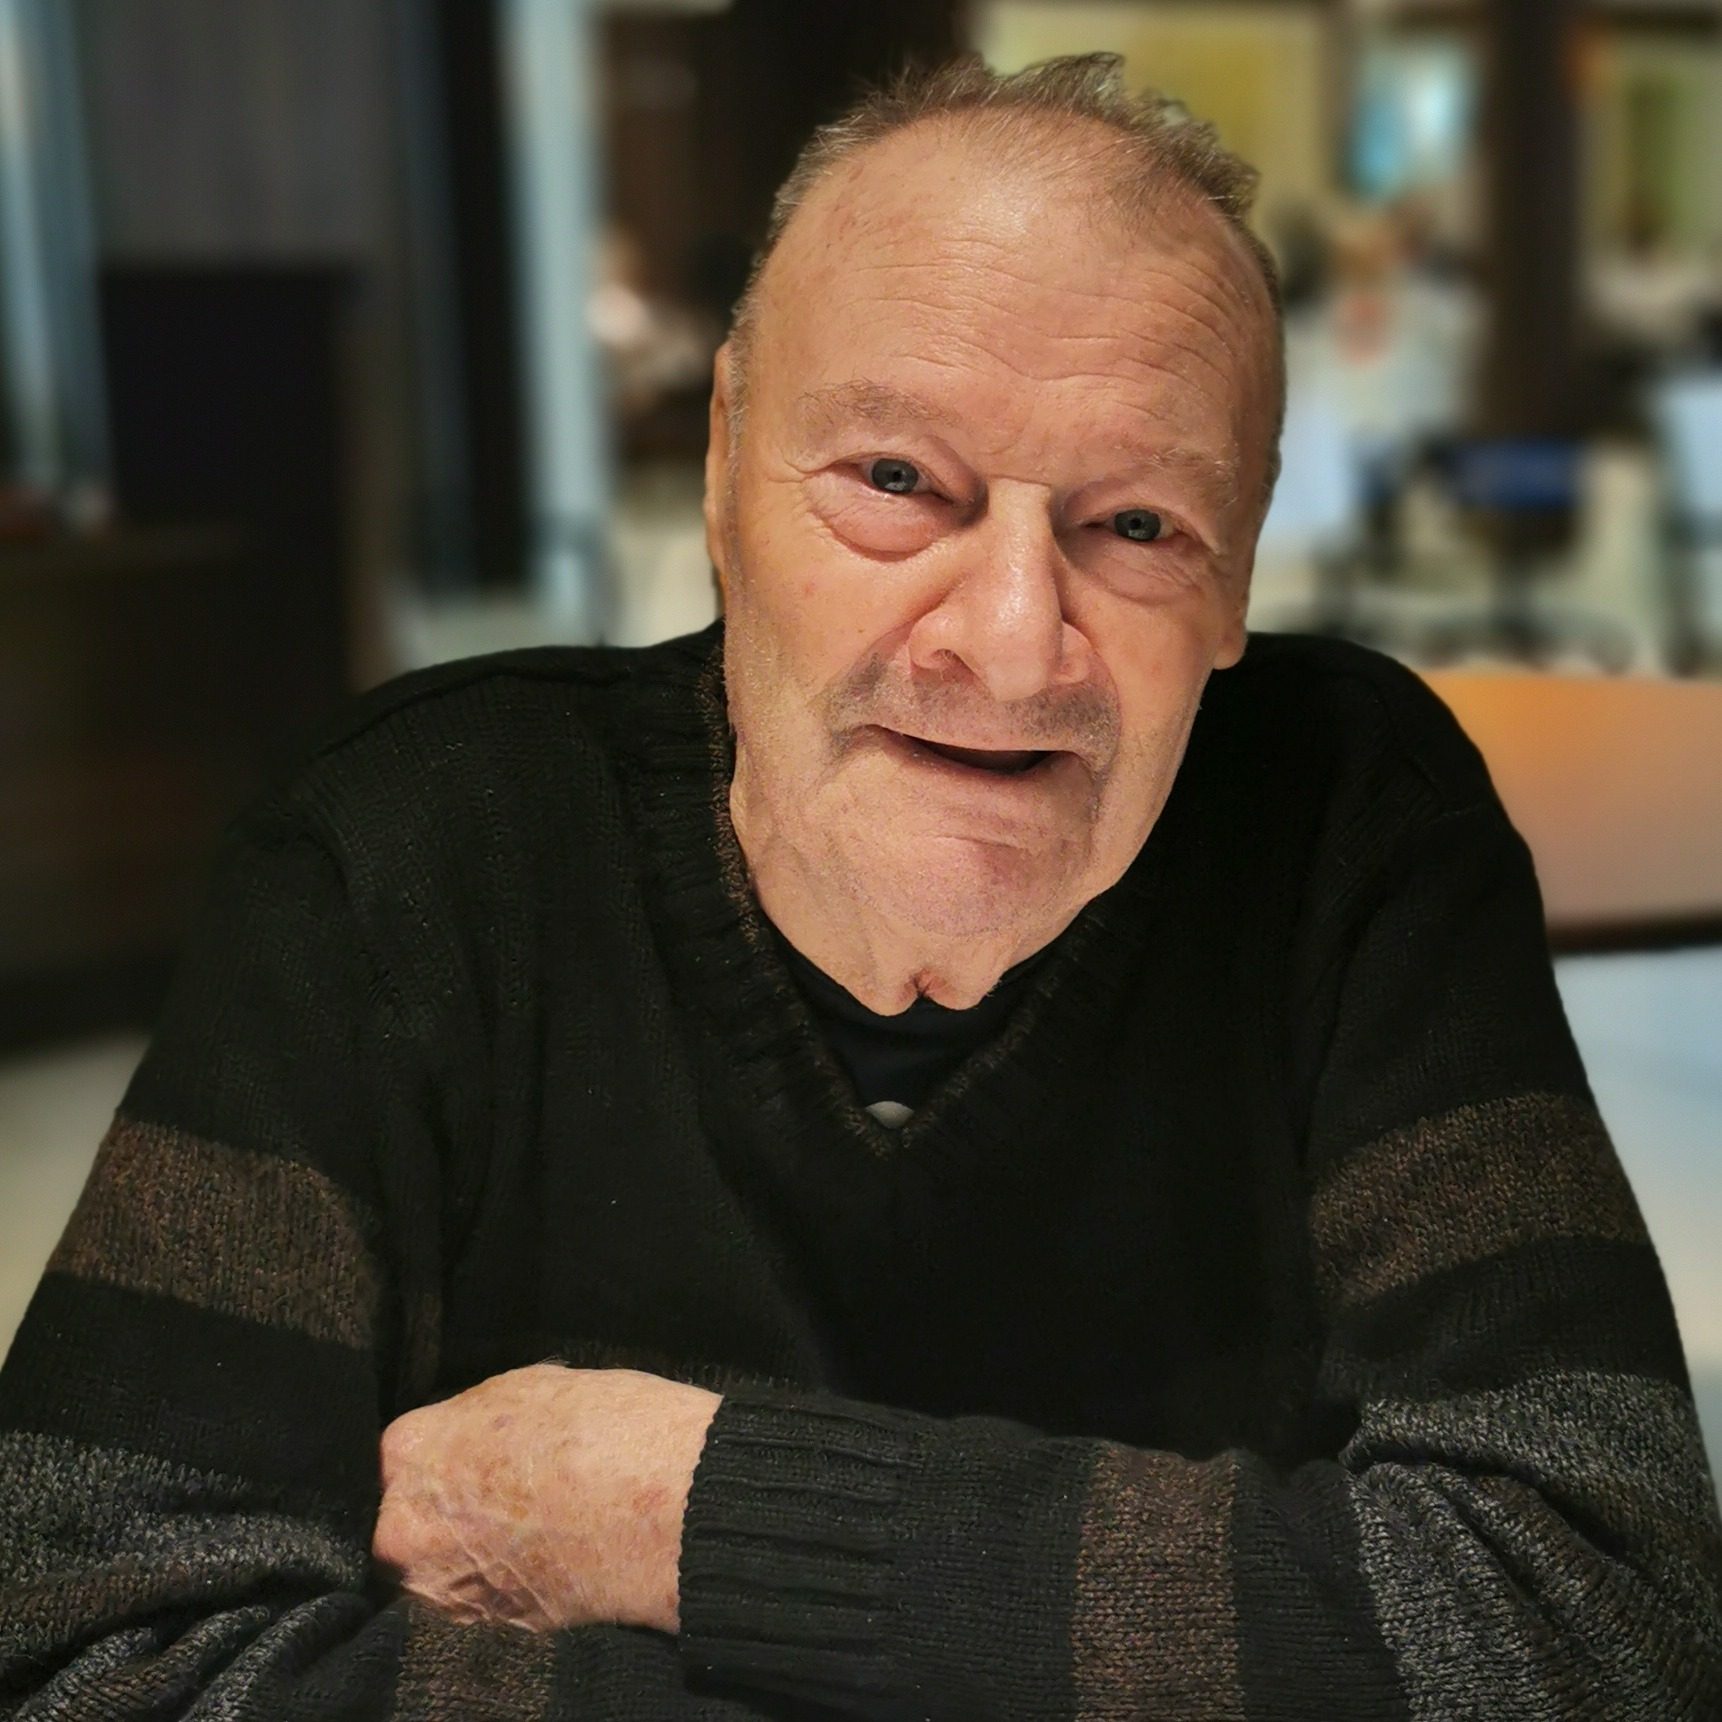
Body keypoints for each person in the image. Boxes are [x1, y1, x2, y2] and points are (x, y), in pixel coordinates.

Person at [2, 52, 1719, 1720]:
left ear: (1235, 582)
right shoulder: (407, 849)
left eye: (1136, 526)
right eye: (897, 482)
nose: (1012, 642)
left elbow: (1598, 1627)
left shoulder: (1352, 825)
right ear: (723, 469)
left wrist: (687, 1510)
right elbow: (88, 1649)